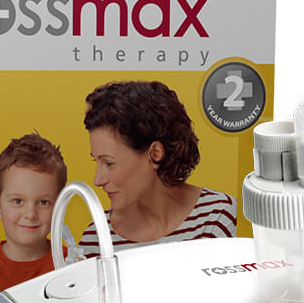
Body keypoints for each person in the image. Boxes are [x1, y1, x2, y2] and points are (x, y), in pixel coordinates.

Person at [78, 81, 236, 258]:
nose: (98, 180)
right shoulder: (96, 239)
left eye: (108, 163)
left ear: (155, 154)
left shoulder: (217, 217)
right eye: (96, 161)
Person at [0, 134, 67, 303]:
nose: (30, 214)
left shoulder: (69, 266)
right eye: (17, 201)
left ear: (60, 207)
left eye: (43, 202)